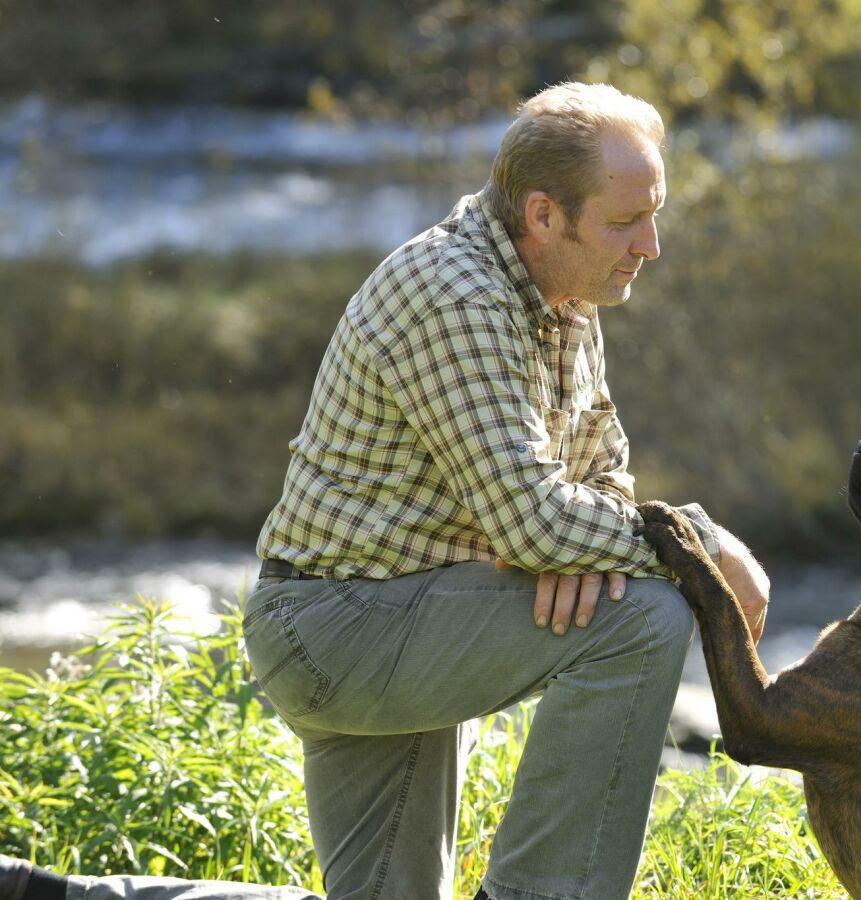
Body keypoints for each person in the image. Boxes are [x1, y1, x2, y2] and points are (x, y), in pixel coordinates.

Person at [0, 82, 769, 900]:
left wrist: (582, 545)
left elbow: (598, 477)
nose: (650, 243)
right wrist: (700, 545)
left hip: (398, 613)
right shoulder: (458, 293)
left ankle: (37, 894)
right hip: (343, 627)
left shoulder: (564, 300)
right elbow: (536, 522)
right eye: (625, 221)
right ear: (543, 215)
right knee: (644, 618)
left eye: (653, 214)